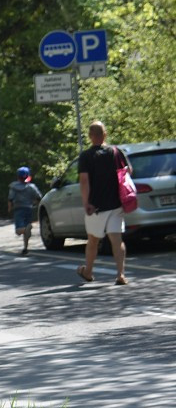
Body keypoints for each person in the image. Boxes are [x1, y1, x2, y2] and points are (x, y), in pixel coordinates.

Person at [77, 121, 129, 285]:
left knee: (93, 240)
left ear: (90, 136)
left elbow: (84, 181)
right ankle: (120, 274)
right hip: (116, 203)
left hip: (96, 206)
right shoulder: (116, 152)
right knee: (116, 239)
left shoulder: (86, 156)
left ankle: (88, 272)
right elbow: (128, 172)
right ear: (105, 134)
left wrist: (86, 203)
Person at [8, 166, 42, 255]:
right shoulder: (31, 186)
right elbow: (39, 197)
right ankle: (26, 248)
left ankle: (25, 230)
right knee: (27, 231)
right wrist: (36, 205)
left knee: (19, 231)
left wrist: (9, 208)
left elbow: (10, 198)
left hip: (18, 209)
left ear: (18, 176)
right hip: (29, 209)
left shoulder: (14, 186)